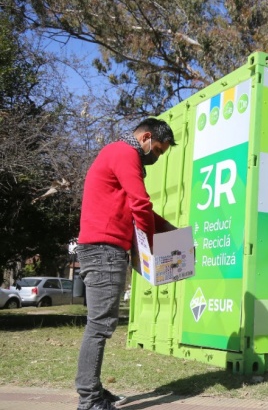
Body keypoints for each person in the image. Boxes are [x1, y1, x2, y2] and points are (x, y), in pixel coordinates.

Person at [75, 118, 177, 410]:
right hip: (104, 248)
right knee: (100, 326)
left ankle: (92, 390)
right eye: (157, 150)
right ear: (145, 137)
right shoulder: (124, 153)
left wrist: (171, 231)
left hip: (106, 247)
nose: (156, 157)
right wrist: (150, 247)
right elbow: (140, 204)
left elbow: (139, 209)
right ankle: (89, 400)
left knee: (99, 325)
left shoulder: (118, 154)